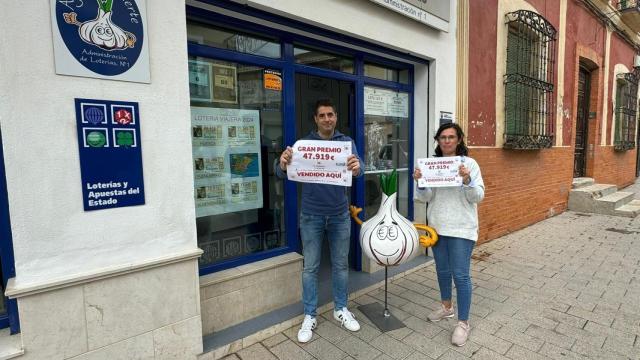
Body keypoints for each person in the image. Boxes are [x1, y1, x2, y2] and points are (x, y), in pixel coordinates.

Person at [276, 98, 364, 343]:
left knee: (340, 265)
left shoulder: (347, 143)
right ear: (315, 119)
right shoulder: (303, 145)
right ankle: (309, 315)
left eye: (331, 115)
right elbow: (280, 170)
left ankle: (341, 309)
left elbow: (360, 169)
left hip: (339, 215)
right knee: (311, 267)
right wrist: (282, 163)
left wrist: (357, 167)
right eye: (322, 115)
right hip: (311, 215)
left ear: (336, 117)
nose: (327, 119)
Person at [413, 123, 484, 347]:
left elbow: (478, 196)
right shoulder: (431, 164)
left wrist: (466, 180)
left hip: (462, 228)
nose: (446, 141)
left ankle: (463, 322)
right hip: (438, 227)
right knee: (442, 271)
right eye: (442, 137)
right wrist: (420, 182)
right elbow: (424, 199)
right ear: (438, 140)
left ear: (459, 139)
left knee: (461, 275)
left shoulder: (469, 164)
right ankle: (446, 308)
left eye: (451, 137)